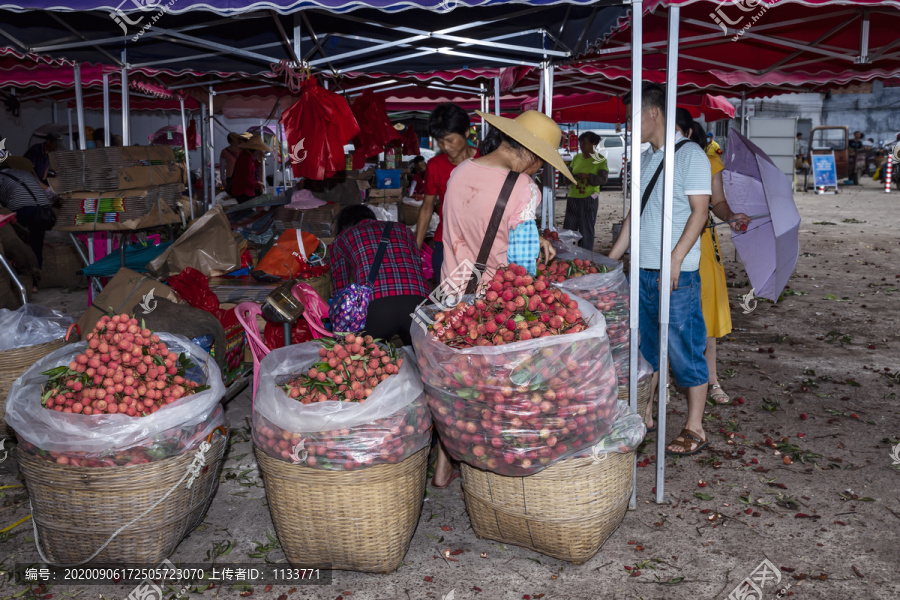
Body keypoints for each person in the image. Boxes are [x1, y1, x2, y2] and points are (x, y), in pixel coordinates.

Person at [431, 110, 573, 488]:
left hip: (450, 295)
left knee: (455, 388)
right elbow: (522, 269)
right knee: (495, 395)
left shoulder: (459, 172)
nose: (540, 168)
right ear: (529, 154)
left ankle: (444, 462)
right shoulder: (524, 188)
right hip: (493, 308)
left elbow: (467, 230)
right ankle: (490, 470)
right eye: (542, 161)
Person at [608, 83, 712, 457]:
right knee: (645, 350)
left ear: (653, 113)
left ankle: (695, 426)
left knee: (685, 349)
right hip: (641, 272)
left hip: (676, 275)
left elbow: (700, 212)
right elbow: (632, 218)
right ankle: (647, 414)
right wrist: (611, 259)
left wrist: (675, 257)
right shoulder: (645, 159)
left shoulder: (691, 156)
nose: (628, 126)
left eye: (632, 117)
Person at [675, 109, 750, 407]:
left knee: (706, 313)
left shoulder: (708, 160)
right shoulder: (655, 157)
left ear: (688, 132)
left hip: (703, 243)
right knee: (665, 311)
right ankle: (663, 381)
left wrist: (730, 216)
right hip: (663, 241)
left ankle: (712, 378)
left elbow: (716, 202)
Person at [330, 205, 430, 346]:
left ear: (344, 224)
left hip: (376, 307)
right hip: (419, 302)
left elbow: (341, 291)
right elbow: (416, 267)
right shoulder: (403, 229)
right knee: (427, 362)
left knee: (370, 362)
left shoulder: (342, 239)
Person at [415, 104, 479, 277]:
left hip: (481, 245)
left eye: (450, 140)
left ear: (466, 133)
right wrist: (416, 249)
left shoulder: (486, 161)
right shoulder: (435, 165)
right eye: (440, 142)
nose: (445, 147)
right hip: (446, 244)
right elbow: (427, 207)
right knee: (446, 300)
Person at [0, 156, 55, 292]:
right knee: (36, 244)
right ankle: (35, 284)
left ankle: (20, 280)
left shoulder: (1, 178)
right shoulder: (24, 173)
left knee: (19, 243)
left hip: (23, 209)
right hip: (43, 210)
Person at [562, 131, 608, 250]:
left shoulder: (600, 160)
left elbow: (603, 179)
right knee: (569, 227)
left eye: (585, 143)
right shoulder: (576, 157)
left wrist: (588, 176)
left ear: (593, 144)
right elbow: (568, 175)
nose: (582, 146)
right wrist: (569, 176)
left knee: (586, 228)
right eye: (580, 143)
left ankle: (585, 256)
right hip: (573, 197)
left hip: (589, 198)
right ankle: (567, 253)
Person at [232, 135, 269, 201]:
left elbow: (254, 166)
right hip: (243, 191)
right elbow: (246, 178)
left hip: (246, 190)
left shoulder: (248, 156)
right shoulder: (246, 158)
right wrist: (258, 183)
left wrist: (260, 159)